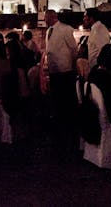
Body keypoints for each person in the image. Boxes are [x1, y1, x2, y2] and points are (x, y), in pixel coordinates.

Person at [42, 9, 78, 156]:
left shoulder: (65, 29)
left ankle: (66, 133)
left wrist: (71, 65)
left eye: (46, 17)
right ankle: (58, 131)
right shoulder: (48, 31)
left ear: (53, 16)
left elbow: (73, 49)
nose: (44, 20)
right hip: (54, 71)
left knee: (65, 103)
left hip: (65, 72)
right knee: (56, 102)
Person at [83, 7, 110, 72]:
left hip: (98, 70)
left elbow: (103, 51)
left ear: (91, 18)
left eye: (85, 17)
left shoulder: (99, 30)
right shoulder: (95, 29)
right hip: (94, 68)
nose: (83, 19)